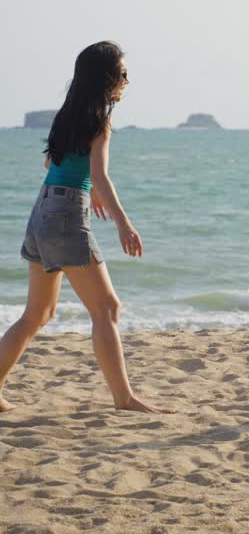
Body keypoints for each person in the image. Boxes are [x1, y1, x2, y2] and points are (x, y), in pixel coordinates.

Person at [0, 41, 173, 414]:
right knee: (107, 307)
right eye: (124, 74)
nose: (128, 80)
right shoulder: (100, 119)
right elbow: (100, 175)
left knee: (38, 314)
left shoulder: (67, 114)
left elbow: (52, 165)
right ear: (106, 78)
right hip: (65, 216)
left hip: (42, 210)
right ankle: (124, 399)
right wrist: (124, 225)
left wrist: (88, 189)